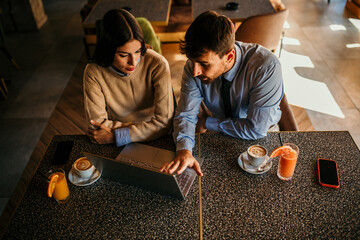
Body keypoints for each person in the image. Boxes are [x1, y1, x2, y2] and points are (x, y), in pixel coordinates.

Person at [160, 11, 284, 176]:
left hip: (262, 139)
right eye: (192, 61)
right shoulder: (193, 67)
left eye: (204, 64)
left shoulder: (266, 67)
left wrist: (208, 123)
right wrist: (184, 150)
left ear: (229, 56)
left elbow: (256, 129)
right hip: (220, 134)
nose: (195, 71)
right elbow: (185, 115)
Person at [83, 9, 174, 147]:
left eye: (137, 51)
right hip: (119, 140)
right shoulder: (93, 72)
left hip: (144, 138)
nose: (133, 61)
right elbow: (97, 124)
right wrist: (147, 128)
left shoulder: (158, 64)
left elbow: (164, 124)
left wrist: (118, 135)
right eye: (124, 55)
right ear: (108, 50)